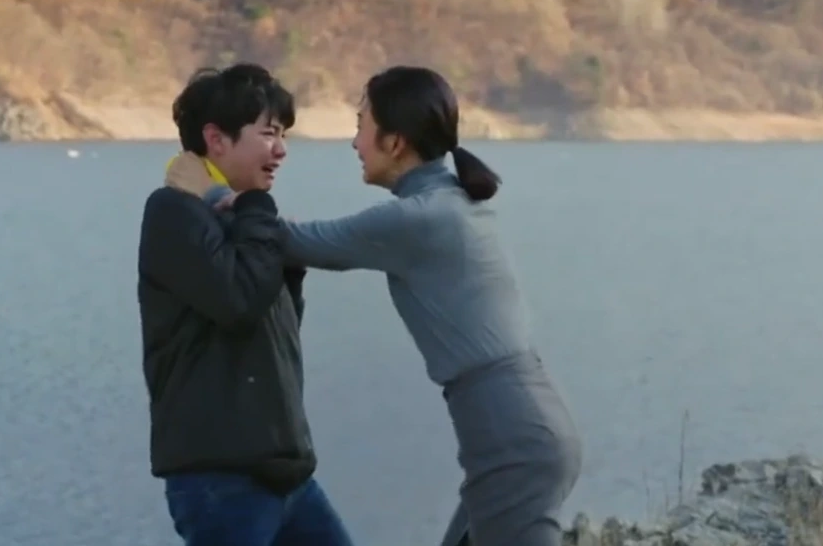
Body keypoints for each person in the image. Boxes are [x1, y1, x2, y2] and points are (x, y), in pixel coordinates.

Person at [187, 66, 584, 546]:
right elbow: (297, 239)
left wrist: (208, 190)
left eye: (361, 126)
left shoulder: (420, 218)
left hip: (513, 439)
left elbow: (295, 243)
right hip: (519, 431)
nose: (355, 143)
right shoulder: (448, 201)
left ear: (395, 143)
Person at [139, 63, 354, 546]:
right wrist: (256, 212)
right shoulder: (172, 213)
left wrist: (269, 243)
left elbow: (277, 332)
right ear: (216, 139)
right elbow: (238, 303)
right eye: (269, 133)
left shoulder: (236, 216)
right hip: (222, 482)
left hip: (288, 476)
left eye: (283, 136)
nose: (281, 150)